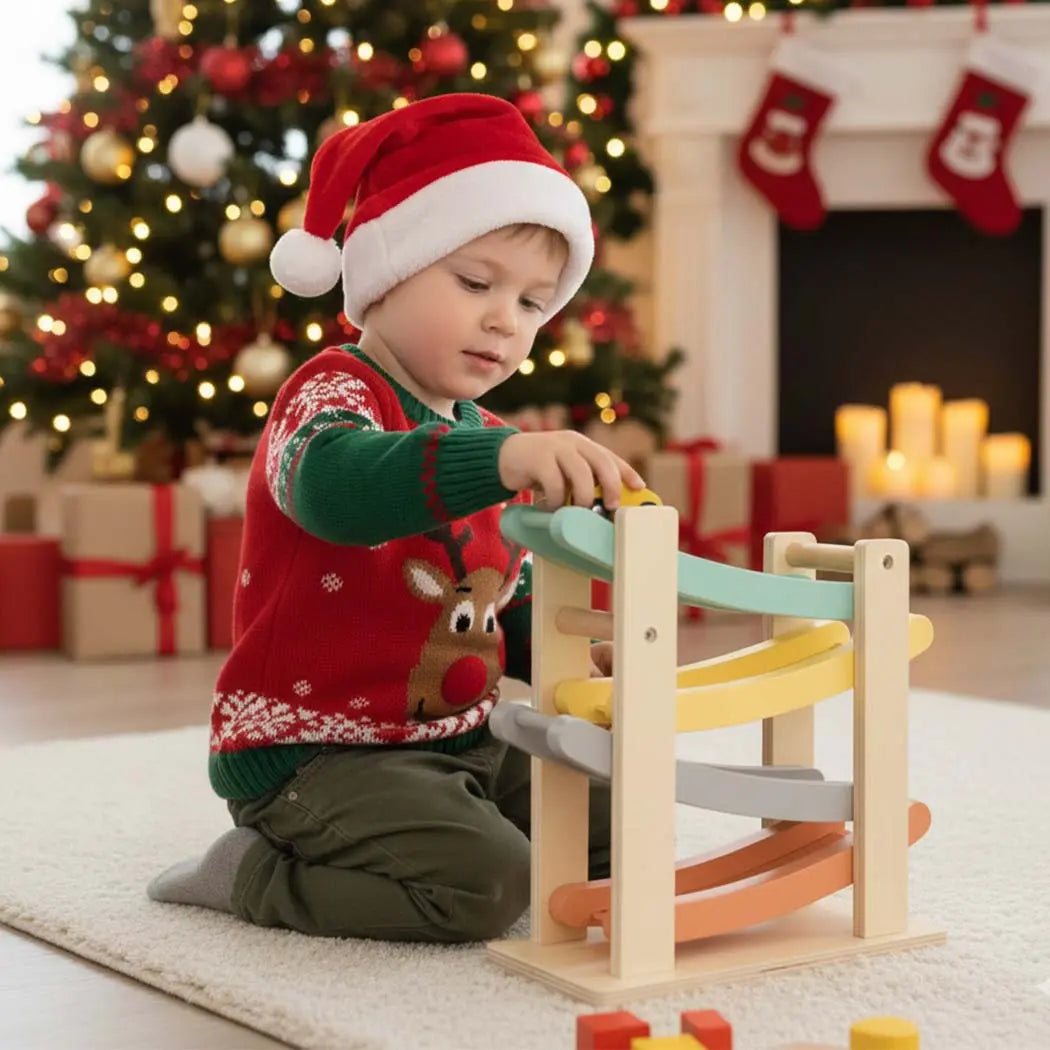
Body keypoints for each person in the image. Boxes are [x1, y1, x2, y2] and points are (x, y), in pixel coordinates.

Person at [147, 93, 646, 943]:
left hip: (459, 738)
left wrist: (570, 655)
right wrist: (502, 461)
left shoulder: (484, 439)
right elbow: (336, 493)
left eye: (532, 303)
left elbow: (494, 601)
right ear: (383, 275)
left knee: (615, 821)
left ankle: (469, 823)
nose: (505, 319)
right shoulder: (333, 392)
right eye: (477, 283)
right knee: (486, 889)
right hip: (319, 752)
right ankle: (255, 872)